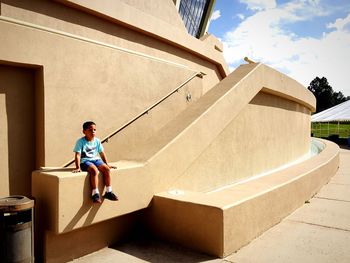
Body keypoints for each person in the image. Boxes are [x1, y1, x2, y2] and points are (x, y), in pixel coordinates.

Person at [72, 121, 118, 203]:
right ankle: (95, 194)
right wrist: (78, 167)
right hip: (85, 161)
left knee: (106, 169)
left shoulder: (97, 141)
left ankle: (109, 192)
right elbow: (78, 155)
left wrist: (107, 164)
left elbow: (102, 153)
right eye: (90, 130)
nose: (93, 131)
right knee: (94, 170)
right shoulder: (80, 142)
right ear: (84, 131)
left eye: (94, 130)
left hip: (96, 160)